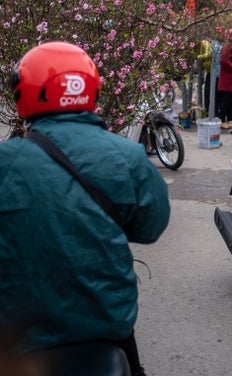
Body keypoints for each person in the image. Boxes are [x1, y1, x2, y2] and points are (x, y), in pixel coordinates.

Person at [0, 42, 170, 376]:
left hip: (19, 337)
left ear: (26, 93)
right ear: (92, 90)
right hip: (103, 323)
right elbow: (150, 228)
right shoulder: (130, 156)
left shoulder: (7, 162)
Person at [217, 30, 232, 129]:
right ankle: (222, 120)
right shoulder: (227, 47)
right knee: (225, 101)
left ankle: (229, 120)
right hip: (227, 80)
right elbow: (223, 60)